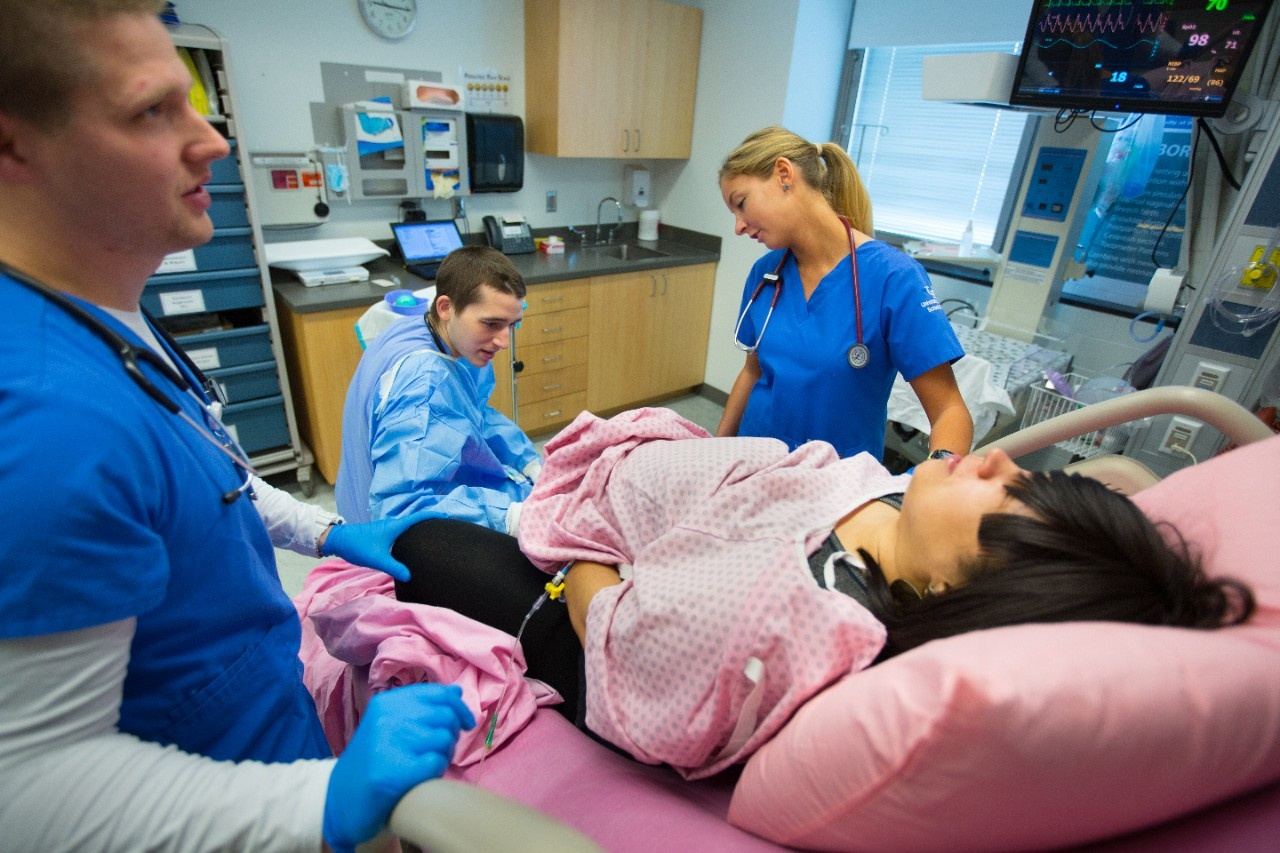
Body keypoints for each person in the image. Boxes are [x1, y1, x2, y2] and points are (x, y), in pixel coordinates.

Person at [0, 3, 473, 850]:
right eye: (152, 110)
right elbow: (28, 788)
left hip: (261, 721)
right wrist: (316, 804)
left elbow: (199, 470)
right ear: (12, 147)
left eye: (192, 100)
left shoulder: (105, 309)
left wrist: (326, 529)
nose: (213, 139)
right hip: (206, 803)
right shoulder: (46, 421)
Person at [392, 408, 1254, 781]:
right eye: (1030, 474)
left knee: (416, 545)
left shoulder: (794, 616)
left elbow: (617, 629)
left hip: (589, 584)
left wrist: (584, 542)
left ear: (960, 587)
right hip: (635, 487)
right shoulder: (893, 506)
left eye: (1012, 495)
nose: (995, 459)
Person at [717, 126, 974, 461]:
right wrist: (715, 451)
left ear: (784, 173)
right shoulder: (767, 273)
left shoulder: (893, 278)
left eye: (741, 204)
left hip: (838, 484)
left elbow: (950, 411)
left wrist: (936, 476)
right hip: (754, 464)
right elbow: (753, 370)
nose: (738, 226)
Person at [335, 245, 541, 533]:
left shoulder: (427, 331)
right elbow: (402, 505)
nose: (503, 341)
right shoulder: (424, 384)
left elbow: (475, 410)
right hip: (381, 536)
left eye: (512, 325)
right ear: (445, 307)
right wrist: (513, 519)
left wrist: (527, 460)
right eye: (491, 323)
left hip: (357, 500)